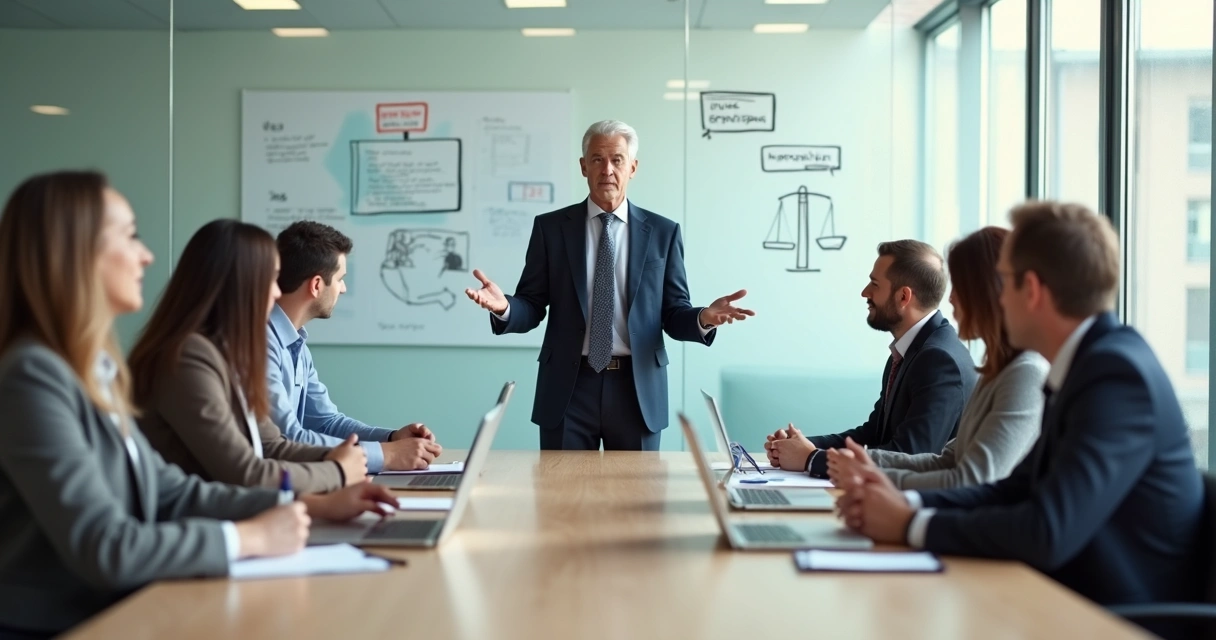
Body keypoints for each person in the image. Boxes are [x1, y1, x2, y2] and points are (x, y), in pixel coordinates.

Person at [0, 171, 396, 637]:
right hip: (70, 624)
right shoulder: (32, 378)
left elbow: (173, 491)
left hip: (122, 607)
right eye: (130, 236)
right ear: (71, 252)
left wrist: (307, 506)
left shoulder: (93, 371)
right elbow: (105, 545)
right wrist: (248, 536)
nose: (146, 255)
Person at [832, 201, 1204, 622]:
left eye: (1003, 281)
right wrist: (905, 504)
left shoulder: (1115, 376)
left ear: (1032, 290)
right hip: (1062, 596)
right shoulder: (1087, 364)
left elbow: (1048, 529)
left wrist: (910, 525)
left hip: (1111, 617)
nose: (996, 295)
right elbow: (1013, 489)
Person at [464, 119, 754, 450]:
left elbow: (674, 314)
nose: (607, 169)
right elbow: (531, 305)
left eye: (617, 159)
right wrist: (504, 308)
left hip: (638, 387)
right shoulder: (551, 228)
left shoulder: (662, 232)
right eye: (598, 159)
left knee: (637, 498)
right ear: (583, 166)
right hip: (569, 388)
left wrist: (703, 318)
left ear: (633, 167)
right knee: (562, 497)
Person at [131, 219, 365, 493]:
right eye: (270, 279)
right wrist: (337, 471)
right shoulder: (187, 356)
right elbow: (245, 471)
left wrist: (338, 459)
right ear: (240, 284)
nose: (278, 291)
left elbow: (270, 445)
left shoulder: (228, 352)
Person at [825, 227, 1047, 490]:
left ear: (992, 292)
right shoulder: (995, 370)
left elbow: (971, 479)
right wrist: (850, 461)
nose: (950, 297)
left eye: (961, 287)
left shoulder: (1025, 372)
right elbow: (947, 461)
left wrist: (861, 474)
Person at [764, 240, 977, 478]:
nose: (865, 292)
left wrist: (812, 459)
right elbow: (875, 434)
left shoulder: (938, 360)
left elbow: (911, 456)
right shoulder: (909, 351)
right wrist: (799, 446)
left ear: (904, 296)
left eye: (874, 284)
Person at [269, 221, 442, 473]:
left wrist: (392, 439)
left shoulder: (296, 344)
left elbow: (326, 423)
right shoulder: (262, 344)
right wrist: (385, 455)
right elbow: (286, 438)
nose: (343, 288)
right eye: (340, 279)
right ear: (317, 285)